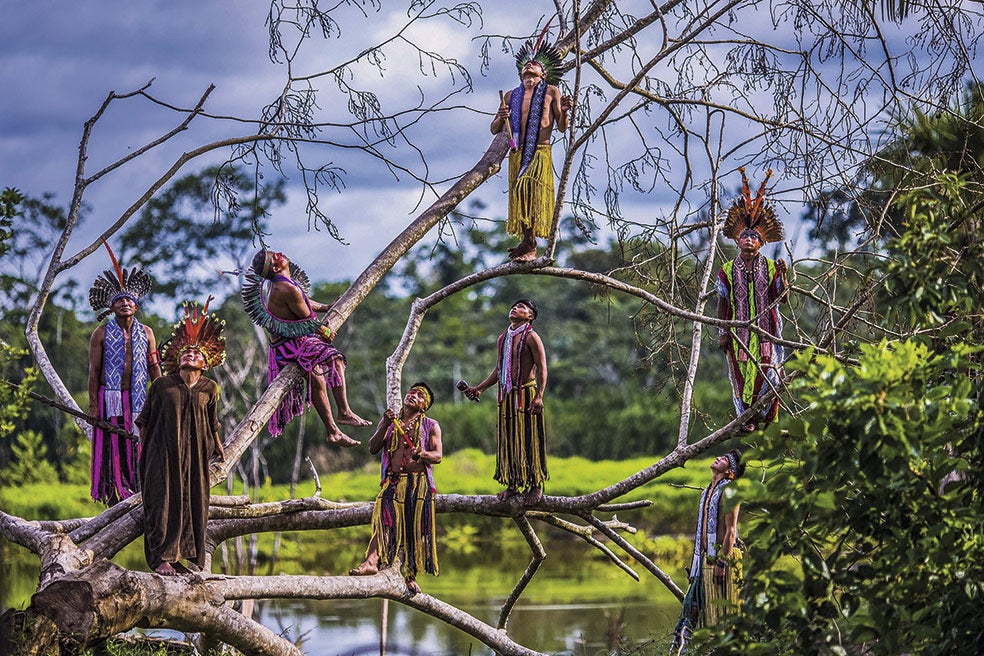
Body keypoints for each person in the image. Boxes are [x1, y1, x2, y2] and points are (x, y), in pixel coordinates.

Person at [241, 248, 370, 446]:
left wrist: (327, 307)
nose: (281, 253)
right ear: (275, 267)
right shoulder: (283, 288)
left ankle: (333, 431)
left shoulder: (285, 284)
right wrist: (324, 331)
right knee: (334, 359)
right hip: (289, 345)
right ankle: (344, 412)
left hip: (291, 339)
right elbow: (308, 320)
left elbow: (304, 302)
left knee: (317, 379)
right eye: (277, 255)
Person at [137, 299, 226, 576]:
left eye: (196, 353)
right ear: (177, 358)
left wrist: (219, 447)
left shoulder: (210, 388)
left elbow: (212, 423)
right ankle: (162, 558)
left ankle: (183, 558)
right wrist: (146, 453)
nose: (190, 355)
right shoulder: (162, 385)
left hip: (196, 455)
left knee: (193, 503)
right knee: (162, 502)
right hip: (162, 454)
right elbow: (145, 420)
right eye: (186, 352)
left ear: (206, 362)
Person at [349, 382, 443, 594]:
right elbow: (373, 447)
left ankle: (410, 574)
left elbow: (437, 456)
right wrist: (383, 423)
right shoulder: (392, 424)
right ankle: (371, 562)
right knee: (383, 517)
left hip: (418, 484)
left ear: (424, 406)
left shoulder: (431, 425)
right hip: (393, 481)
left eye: (420, 395)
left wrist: (423, 454)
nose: (413, 395)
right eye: (412, 392)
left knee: (413, 528)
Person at [87, 241, 161, 505]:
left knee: (138, 443)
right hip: (111, 398)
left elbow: (154, 367)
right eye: (119, 301)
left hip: (139, 398)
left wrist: (162, 395)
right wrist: (93, 406)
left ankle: (140, 489)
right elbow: (94, 373)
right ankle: (116, 492)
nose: (125, 303)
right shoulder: (102, 333)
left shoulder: (148, 333)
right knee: (113, 443)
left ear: (136, 306)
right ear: (112, 307)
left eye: (129, 300)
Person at [490, 26, 573, 262]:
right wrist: (501, 117)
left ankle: (532, 242)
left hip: (539, 152)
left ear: (543, 74)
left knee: (530, 191)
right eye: (526, 69)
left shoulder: (551, 92)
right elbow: (494, 129)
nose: (529, 69)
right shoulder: (510, 96)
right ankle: (528, 241)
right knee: (521, 197)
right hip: (517, 153)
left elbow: (562, 127)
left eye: (534, 70)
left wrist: (565, 111)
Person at [716, 168, 788, 432]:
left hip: (767, 331)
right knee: (740, 374)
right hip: (738, 334)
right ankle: (745, 419)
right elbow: (723, 302)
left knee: (768, 371)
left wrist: (783, 274)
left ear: (761, 243)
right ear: (737, 240)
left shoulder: (770, 267)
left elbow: (783, 296)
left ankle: (765, 416)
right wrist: (723, 332)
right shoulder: (726, 269)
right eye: (745, 236)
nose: (749, 240)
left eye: (754, 237)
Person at [463, 299, 547, 506]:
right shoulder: (503, 338)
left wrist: (539, 396)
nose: (514, 308)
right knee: (509, 440)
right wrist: (480, 388)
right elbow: (499, 369)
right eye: (514, 306)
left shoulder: (532, 337)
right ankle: (513, 484)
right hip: (506, 397)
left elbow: (542, 367)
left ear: (530, 317)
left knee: (529, 438)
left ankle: (536, 484)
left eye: (521, 307)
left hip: (526, 395)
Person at [669, 449, 745, 655]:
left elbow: (731, 530)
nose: (719, 457)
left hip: (720, 560)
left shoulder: (731, 491)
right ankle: (679, 649)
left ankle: (710, 649)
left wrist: (722, 563)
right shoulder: (707, 491)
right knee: (691, 606)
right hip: (704, 561)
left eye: (725, 460)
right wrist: (696, 567)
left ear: (731, 471)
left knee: (721, 614)